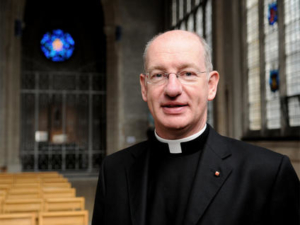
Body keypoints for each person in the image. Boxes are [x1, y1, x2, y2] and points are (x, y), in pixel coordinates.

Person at [92, 30, 299, 225]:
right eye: (158, 75)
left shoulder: (267, 173)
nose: (172, 89)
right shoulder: (114, 171)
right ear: (144, 88)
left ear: (211, 85)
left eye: (188, 73)